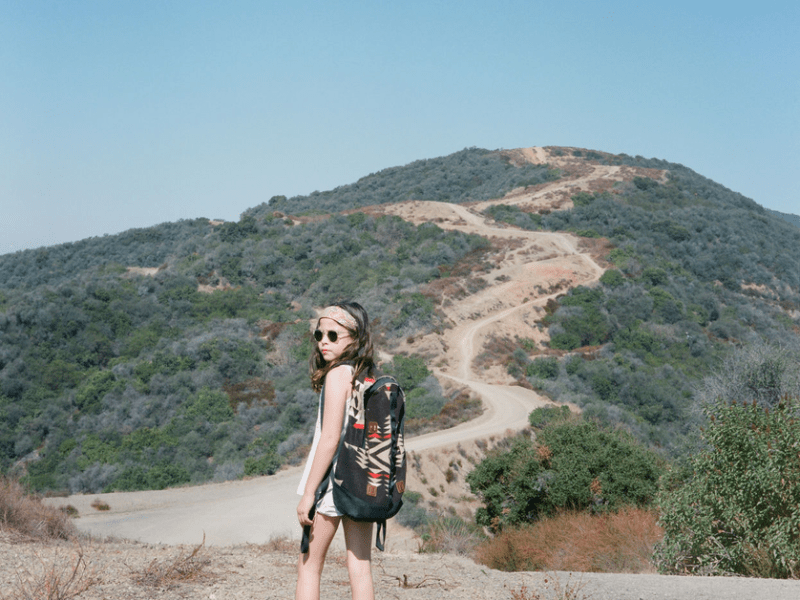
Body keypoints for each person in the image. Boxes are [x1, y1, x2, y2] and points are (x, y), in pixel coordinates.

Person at [295, 302, 376, 600]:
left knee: (309, 567)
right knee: (360, 567)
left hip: (331, 486)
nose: (323, 342)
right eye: (319, 335)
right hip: (362, 482)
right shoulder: (366, 373)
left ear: (354, 338)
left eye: (333, 335)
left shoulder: (338, 374)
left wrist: (308, 494)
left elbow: (329, 439)